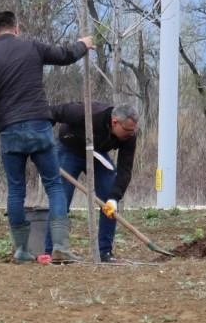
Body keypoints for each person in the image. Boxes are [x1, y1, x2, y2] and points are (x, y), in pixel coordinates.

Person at [0, 10, 93, 263]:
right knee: (54, 186)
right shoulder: (32, 47)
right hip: (38, 126)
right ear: (16, 28)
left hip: (10, 130)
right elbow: (65, 55)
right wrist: (83, 45)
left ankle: (22, 251)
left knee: (15, 191)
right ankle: (60, 246)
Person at [43, 101, 138, 262]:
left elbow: (125, 170)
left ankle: (104, 253)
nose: (131, 134)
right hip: (69, 149)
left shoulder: (129, 136)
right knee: (61, 199)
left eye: (133, 130)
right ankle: (52, 251)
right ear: (115, 122)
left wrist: (115, 198)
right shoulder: (86, 113)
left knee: (108, 195)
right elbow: (51, 112)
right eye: (127, 130)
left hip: (97, 154)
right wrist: (42, 138)